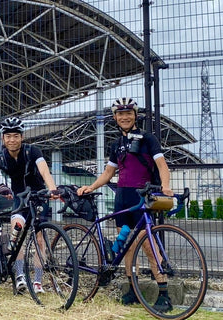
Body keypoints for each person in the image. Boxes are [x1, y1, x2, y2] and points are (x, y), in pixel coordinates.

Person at [77, 97, 174, 312]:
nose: (125, 117)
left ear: (135, 115)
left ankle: (164, 293)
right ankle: (132, 289)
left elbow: (162, 165)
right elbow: (109, 172)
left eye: (128, 113)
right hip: (122, 197)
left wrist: (166, 186)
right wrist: (91, 187)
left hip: (143, 196)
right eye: (120, 114)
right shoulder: (116, 144)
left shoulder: (148, 139)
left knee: (148, 245)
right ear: (115, 117)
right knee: (127, 245)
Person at [0, 116, 60, 294]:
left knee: (39, 240)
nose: (12, 139)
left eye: (16, 136)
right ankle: (19, 276)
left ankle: (38, 282)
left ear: (22, 137)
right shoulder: (0, 158)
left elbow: (44, 171)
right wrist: (1, 187)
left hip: (38, 197)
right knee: (16, 233)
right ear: (3, 138)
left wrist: (53, 189)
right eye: (8, 136)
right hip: (20, 199)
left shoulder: (33, 151)